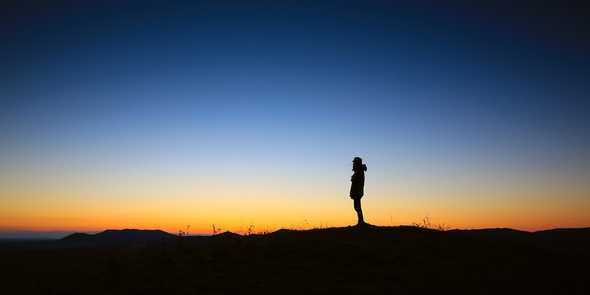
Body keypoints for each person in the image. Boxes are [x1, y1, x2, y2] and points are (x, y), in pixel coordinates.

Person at [350, 157, 367, 225]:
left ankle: (361, 221)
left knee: (357, 207)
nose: (353, 164)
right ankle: (360, 221)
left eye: (354, 162)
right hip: (357, 192)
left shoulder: (359, 172)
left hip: (357, 192)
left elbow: (357, 183)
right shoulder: (358, 171)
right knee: (357, 207)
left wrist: (354, 192)